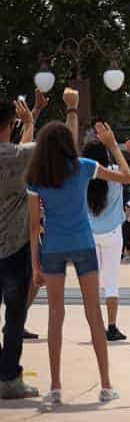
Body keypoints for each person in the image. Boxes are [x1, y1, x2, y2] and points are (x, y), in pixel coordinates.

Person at [27, 115, 130, 404]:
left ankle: (55, 386)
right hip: (83, 245)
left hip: (52, 248)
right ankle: (105, 384)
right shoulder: (83, 167)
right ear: (68, 144)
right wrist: (113, 147)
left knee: (55, 317)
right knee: (94, 316)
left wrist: (35, 265)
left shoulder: (36, 177)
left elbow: (32, 225)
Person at [0, 91, 49, 399]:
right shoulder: (19, 157)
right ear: (10, 122)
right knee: (15, 317)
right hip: (15, 247)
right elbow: (26, 149)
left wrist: (30, 118)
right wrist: (33, 118)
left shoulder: (18, 153)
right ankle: (9, 378)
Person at [83, 134, 130, 342]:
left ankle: (94, 327)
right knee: (111, 282)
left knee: (91, 283)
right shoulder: (114, 173)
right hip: (113, 233)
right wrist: (116, 147)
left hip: (88, 233)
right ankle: (112, 326)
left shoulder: (81, 175)